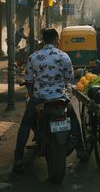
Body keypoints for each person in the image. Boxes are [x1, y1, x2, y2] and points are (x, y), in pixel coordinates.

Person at [13, 28, 82, 172]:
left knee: (25, 124)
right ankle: (81, 151)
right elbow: (69, 79)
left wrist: (32, 92)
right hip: (60, 99)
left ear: (44, 40)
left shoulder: (33, 57)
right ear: (56, 39)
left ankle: (18, 158)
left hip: (40, 100)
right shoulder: (64, 56)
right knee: (74, 120)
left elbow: (29, 80)